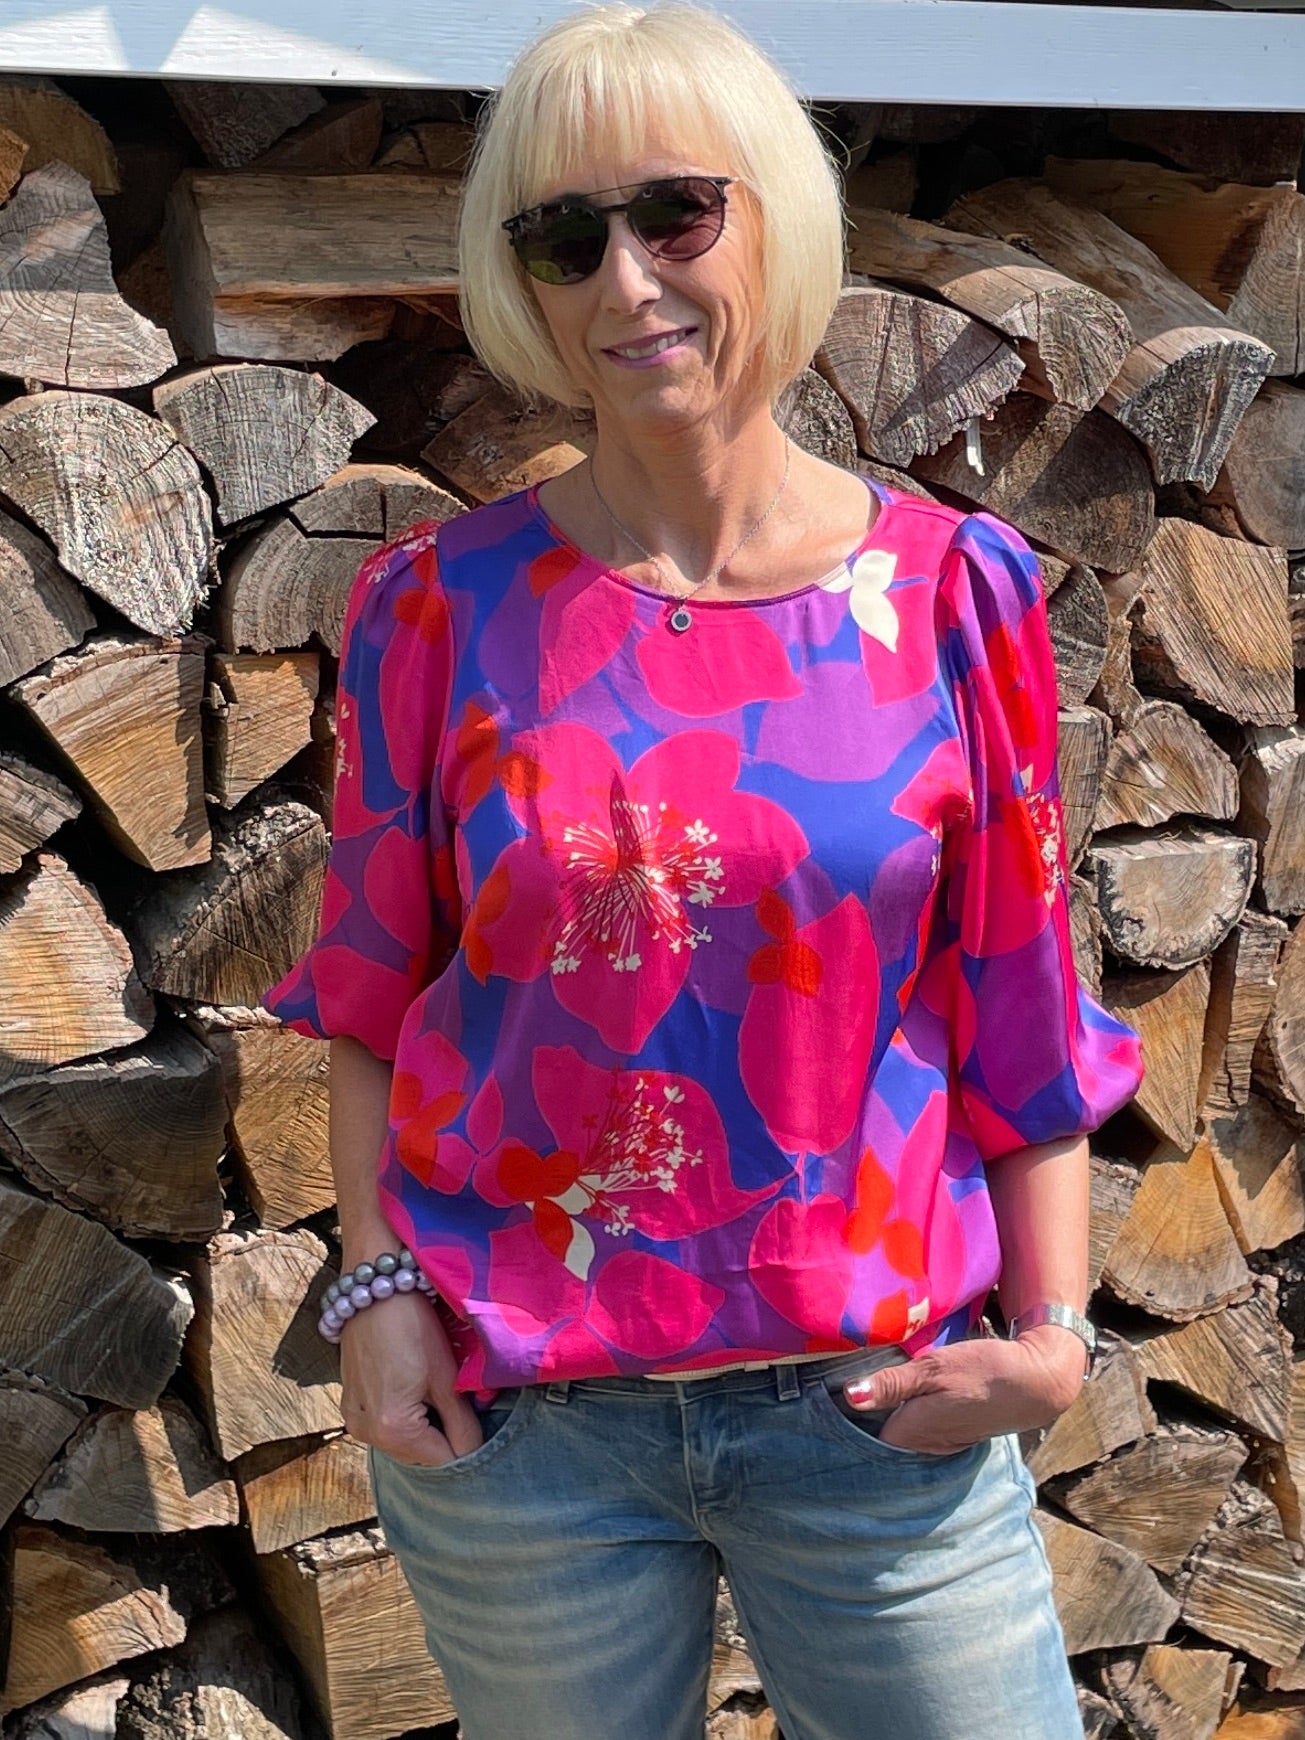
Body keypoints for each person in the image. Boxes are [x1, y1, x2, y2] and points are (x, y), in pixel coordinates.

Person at [264, 6, 1144, 1736]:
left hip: (875, 1414)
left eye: (676, 213)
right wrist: (373, 1289)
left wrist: (1052, 1340)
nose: (624, 279)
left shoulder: (953, 594)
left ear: (775, 220)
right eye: (560, 235)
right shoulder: (432, 609)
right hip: (520, 1433)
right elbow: (369, 995)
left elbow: (1020, 994)